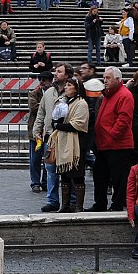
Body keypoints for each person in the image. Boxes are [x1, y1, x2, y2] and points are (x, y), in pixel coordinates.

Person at [92, 66, 135, 211]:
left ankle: (116, 205)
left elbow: (123, 120)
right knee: (100, 175)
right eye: (104, 78)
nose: (105, 80)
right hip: (105, 143)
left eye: (108, 78)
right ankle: (100, 204)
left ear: (118, 79)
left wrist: (111, 134)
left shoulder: (124, 95)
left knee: (118, 178)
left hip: (117, 144)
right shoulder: (109, 94)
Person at [34, 63, 74, 212]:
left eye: (59, 72)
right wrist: (36, 131)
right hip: (50, 137)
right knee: (50, 170)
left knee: (68, 170)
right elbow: (41, 113)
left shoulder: (72, 91)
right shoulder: (49, 92)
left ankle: (71, 201)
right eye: (55, 71)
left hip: (66, 137)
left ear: (67, 75)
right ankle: (52, 201)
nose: (55, 74)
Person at [47, 76, 89, 213]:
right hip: (63, 142)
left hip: (76, 143)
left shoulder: (81, 103)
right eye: (66, 85)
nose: (66, 87)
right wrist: (56, 121)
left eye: (69, 85)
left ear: (76, 88)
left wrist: (59, 125)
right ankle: (64, 205)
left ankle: (78, 206)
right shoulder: (64, 102)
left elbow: (78, 124)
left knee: (77, 175)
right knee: (64, 175)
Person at [28, 71, 54, 193]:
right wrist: (47, 105)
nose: (42, 83)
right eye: (40, 80)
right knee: (35, 159)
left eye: (44, 80)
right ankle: (35, 182)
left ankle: (45, 182)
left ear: (50, 81)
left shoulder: (55, 92)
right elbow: (34, 108)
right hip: (37, 131)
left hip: (49, 131)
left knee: (48, 158)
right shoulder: (34, 93)